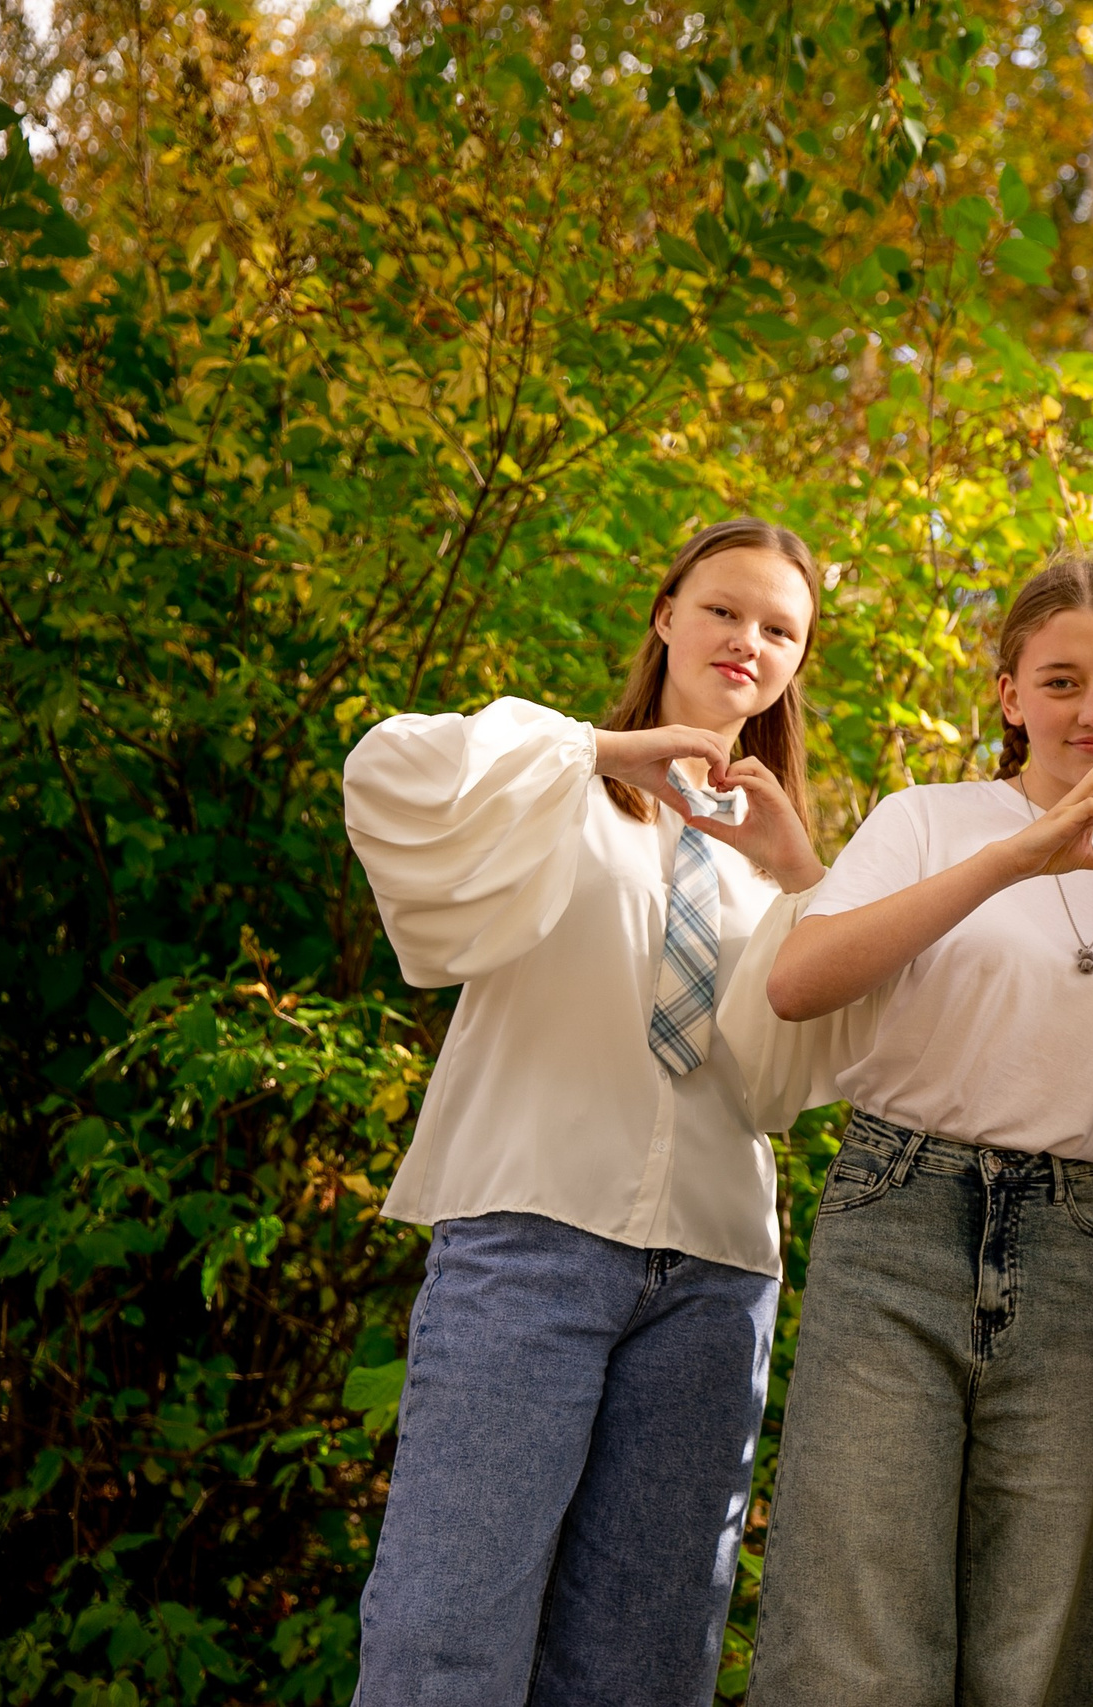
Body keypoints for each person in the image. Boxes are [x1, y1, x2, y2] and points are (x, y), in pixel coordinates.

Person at [342, 518, 830, 1706]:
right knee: (448, 1632)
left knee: (647, 1665)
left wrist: (808, 873)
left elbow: (796, 1079)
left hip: (717, 1283)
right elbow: (385, 775)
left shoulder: (773, 854)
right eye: (723, 609)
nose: (746, 642)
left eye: (779, 628)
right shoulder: (553, 786)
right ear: (666, 614)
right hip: (533, 1239)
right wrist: (610, 751)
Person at [737, 553, 1093, 1707]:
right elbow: (799, 982)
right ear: (1008, 697)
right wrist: (1014, 859)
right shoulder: (930, 821)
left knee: (1034, 1650)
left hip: (1083, 1253)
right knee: (855, 1636)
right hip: (901, 1219)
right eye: (1061, 683)